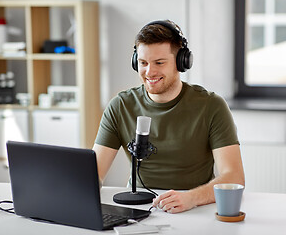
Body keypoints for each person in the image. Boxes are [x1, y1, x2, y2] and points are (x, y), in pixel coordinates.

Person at [93, 20, 245, 214]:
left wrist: (191, 198)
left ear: (181, 62)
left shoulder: (211, 106)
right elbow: (93, 174)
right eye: (143, 63)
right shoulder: (120, 106)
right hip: (139, 209)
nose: (150, 72)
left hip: (194, 209)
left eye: (159, 63)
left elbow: (234, 176)